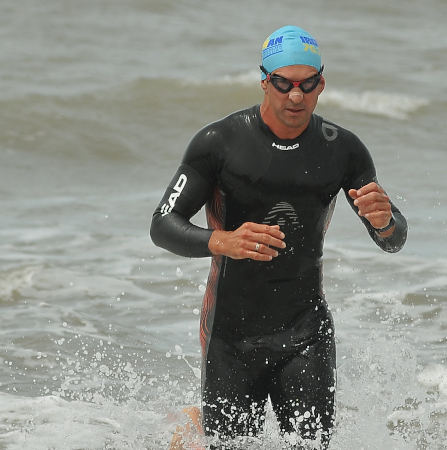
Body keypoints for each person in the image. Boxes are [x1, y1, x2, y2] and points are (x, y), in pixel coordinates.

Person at [150, 25, 407, 446]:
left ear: (321, 83)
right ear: (264, 81)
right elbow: (162, 223)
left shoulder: (343, 149)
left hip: (305, 332)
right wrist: (222, 241)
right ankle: (191, 423)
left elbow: (392, 238)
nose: (295, 96)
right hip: (231, 336)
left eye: (308, 84)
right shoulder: (218, 143)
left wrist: (384, 222)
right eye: (283, 83)